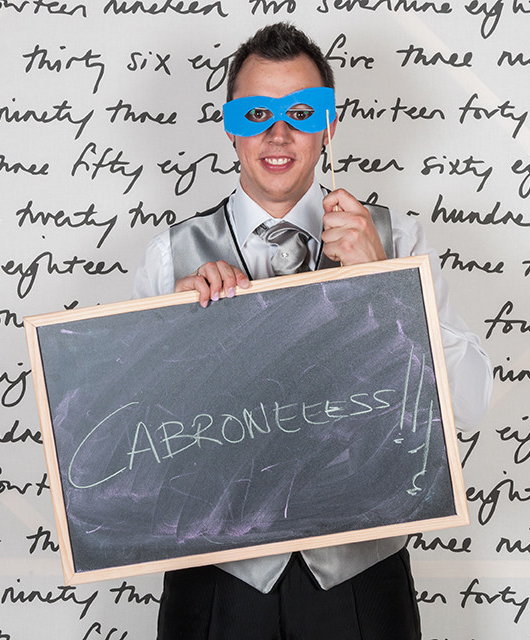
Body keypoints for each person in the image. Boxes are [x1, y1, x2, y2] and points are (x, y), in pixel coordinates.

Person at [131, 22, 492, 640]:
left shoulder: (398, 240)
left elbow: (472, 404)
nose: (278, 134)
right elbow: (132, 448)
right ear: (229, 126)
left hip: (362, 585)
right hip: (216, 584)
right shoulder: (170, 258)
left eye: (301, 112)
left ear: (329, 124)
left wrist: (386, 286)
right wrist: (173, 343)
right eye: (256, 114)